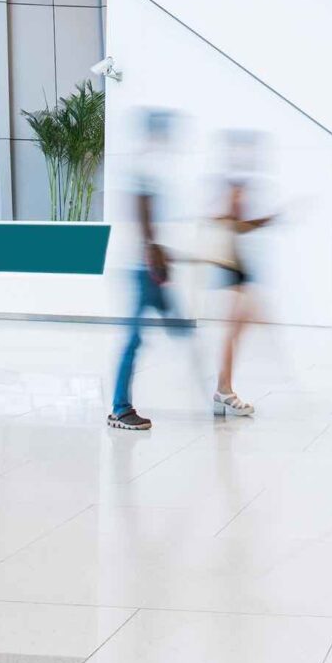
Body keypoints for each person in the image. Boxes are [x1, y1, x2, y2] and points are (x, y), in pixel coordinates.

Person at [108, 109, 195, 431]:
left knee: (176, 329)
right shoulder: (144, 166)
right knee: (135, 338)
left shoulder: (151, 165)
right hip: (142, 268)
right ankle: (120, 408)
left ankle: (215, 388)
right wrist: (154, 257)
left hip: (148, 266)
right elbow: (143, 217)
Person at [208, 135, 277, 420]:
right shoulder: (229, 186)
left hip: (238, 265)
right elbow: (230, 222)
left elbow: (237, 225)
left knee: (241, 326)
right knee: (235, 328)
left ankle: (224, 389)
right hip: (231, 265)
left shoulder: (235, 183)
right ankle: (224, 391)